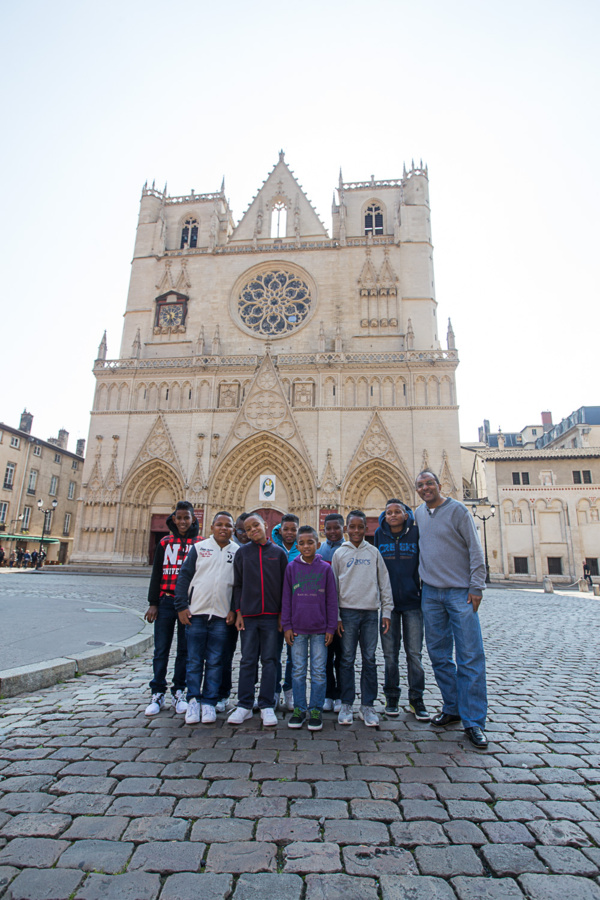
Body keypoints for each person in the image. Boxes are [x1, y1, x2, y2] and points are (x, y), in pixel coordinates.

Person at [414, 470, 488, 750]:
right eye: (420, 485)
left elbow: (475, 549)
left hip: (460, 593)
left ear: (439, 484)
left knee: (469, 655)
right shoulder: (419, 514)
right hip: (431, 593)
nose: (425, 488)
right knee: (438, 655)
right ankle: (453, 707)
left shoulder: (458, 510)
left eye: (429, 483)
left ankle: (474, 721)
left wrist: (476, 586)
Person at [175, 512, 238, 725]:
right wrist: (181, 606)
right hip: (197, 613)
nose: (223, 528)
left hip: (221, 616)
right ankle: (193, 700)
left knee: (215, 660)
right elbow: (184, 576)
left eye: (228, 525)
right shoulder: (199, 548)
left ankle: (209, 702)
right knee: (193, 660)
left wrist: (234, 609)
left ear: (233, 529)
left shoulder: (237, 551)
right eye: (219, 524)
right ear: (211, 527)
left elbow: (238, 585)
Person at [332, 510, 393, 727]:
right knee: (347, 659)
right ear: (346, 529)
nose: (356, 531)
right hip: (347, 613)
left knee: (369, 659)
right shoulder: (339, 553)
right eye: (352, 527)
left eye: (360, 527)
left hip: (370, 613)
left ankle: (367, 705)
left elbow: (384, 582)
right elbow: (333, 588)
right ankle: (347, 703)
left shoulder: (374, 552)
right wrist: (336, 616)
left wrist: (386, 611)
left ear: (366, 529)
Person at [227, 513, 288, 727]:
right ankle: (244, 705)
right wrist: (238, 612)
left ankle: (266, 705)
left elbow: (285, 587)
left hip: (271, 617)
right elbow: (238, 584)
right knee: (247, 660)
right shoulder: (243, 553)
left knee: (270, 660)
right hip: (249, 617)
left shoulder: (278, 553)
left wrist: (282, 615)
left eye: (256, 525)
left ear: (265, 525)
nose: (252, 530)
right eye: (248, 528)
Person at [374, 499, 429, 721]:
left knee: (414, 654)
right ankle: (392, 698)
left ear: (406, 515)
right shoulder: (379, 535)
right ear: (385, 515)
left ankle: (417, 699)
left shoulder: (416, 534)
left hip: (413, 603)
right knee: (390, 655)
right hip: (389, 606)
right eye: (389, 512)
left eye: (398, 512)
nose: (393, 515)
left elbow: (426, 561)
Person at [144, 501, 200, 717]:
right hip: (166, 602)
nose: (183, 521)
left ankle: (179, 691)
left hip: (188, 604)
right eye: (179, 518)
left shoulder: (200, 544)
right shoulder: (165, 542)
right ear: (174, 519)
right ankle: (157, 692)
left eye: (187, 518)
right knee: (161, 649)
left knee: (185, 650)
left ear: (193, 519)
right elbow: (156, 573)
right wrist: (153, 603)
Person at [282, 525, 338, 731]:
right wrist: (287, 625)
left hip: (320, 629)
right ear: (297, 546)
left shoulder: (325, 569)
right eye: (302, 543)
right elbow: (286, 599)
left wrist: (330, 627)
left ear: (318, 544)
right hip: (297, 629)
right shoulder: (291, 568)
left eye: (310, 542)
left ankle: (316, 709)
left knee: (319, 671)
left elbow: (332, 600)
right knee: (297, 671)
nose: (306, 546)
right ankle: (299, 708)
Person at [216, 512, 251, 714]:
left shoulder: (257, 551)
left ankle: (251, 698)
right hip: (227, 611)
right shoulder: (226, 549)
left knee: (251, 657)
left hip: (252, 613)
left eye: (248, 529)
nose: (244, 533)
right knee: (223, 654)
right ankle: (221, 694)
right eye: (240, 529)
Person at [317, 513, 345, 712]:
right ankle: (328, 694)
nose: (332, 532)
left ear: (343, 528)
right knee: (325, 656)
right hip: (323, 612)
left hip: (344, 612)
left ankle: (341, 695)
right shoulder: (320, 551)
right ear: (323, 529)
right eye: (329, 528)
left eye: (336, 528)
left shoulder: (349, 549)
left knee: (343, 656)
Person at [271, 513, 300, 710]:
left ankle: (290, 691)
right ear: (279, 530)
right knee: (273, 653)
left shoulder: (304, 548)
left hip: (297, 610)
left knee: (294, 656)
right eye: (286, 529)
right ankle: (273, 691)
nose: (289, 533)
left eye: (293, 529)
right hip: (274, 610)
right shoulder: (271, 548)